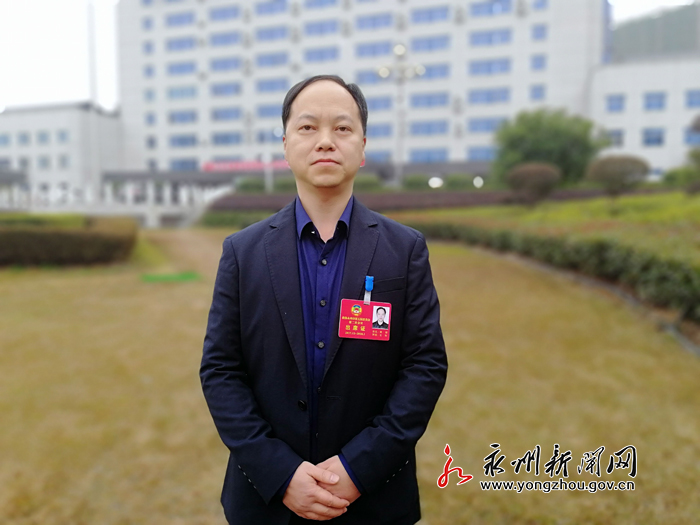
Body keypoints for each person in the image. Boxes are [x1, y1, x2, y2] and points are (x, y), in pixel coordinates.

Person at [200, 74, 448, 525]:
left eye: (342, 128)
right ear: (286, 145)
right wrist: (280, 473)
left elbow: (424, 366)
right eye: (308, 127)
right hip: (267, 504)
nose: (326, 141)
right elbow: (221, 371)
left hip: (373, 501)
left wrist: (358, 468)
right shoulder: (242, 252)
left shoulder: (404, 249)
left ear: (362, 147)